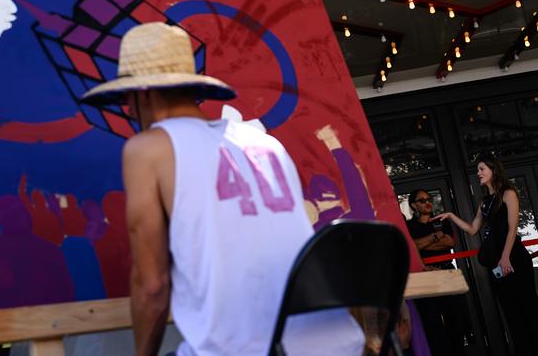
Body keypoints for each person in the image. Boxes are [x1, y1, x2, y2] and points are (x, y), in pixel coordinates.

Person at [81, 22, 363, 356]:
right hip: (338, 344)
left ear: (144, 93)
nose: (127, 109)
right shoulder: (265, 142)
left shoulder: (148, 148)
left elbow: (152, 285)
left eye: (128, 97)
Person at [434, 155, 538, 356]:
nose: (478, 173)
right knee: (511, 312)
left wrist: (506, 257)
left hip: (514, 258)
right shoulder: (485, 202)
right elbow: (473, 229)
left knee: (529, 308)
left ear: (493, 170)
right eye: (478, 170)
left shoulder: (508, 193)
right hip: (497, 264)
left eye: (482, 169)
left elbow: (512, 229)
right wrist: (451, 216)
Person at [407, 189, 466, 356]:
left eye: (429, 198)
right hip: (424, 276)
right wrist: (434, 237)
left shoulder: (441, 220)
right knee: (432, 324)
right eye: (422, 200)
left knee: (455, 320)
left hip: (447, 271)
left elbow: (449, 242)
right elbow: (413, 247)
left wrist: (423, 244)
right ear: (414, 205)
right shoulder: (409, 226)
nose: (427, 202)